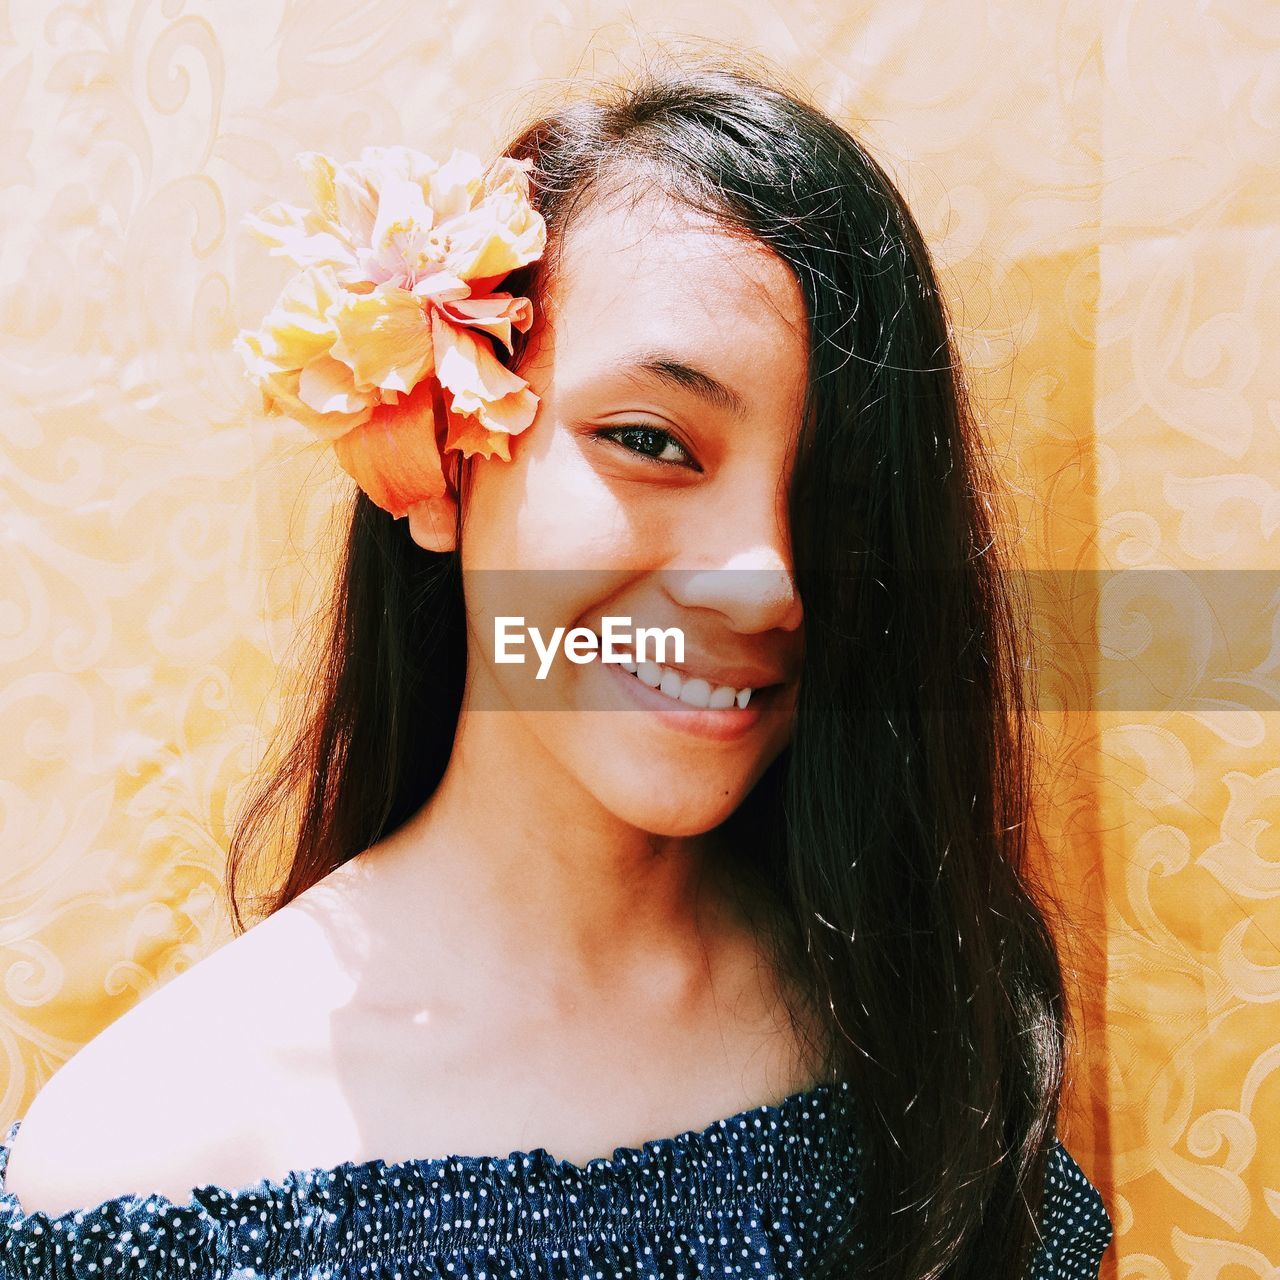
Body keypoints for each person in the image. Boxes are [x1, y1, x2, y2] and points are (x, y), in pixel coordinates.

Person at [0, 63, 1113, 1280]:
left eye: (836, 498)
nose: (765, 583)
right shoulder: (146, 1163)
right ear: (436, 460)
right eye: (649, 441)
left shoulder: (924, 1016)